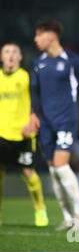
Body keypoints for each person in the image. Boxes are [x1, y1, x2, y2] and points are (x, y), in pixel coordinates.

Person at [30, 19, 79, 230]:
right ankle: (68, 217)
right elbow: (35, 92)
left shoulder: (72, 61)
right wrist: (33, 114)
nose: (36, 39)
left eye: (39, 35)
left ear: (52, 35)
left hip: (66, 120)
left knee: (60, 166)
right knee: (53, 170)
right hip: (45, 124)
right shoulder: (38, 62)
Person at [0, 42, 49, 227]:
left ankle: (40, 209)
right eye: (6, 52)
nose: (10, 55)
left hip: (22, 133)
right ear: (1, 57)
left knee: (28, 173)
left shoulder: (27, 77)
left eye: (14, 52)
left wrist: (33, 119)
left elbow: (37, 102)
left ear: (20, 57)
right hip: (1, 133)